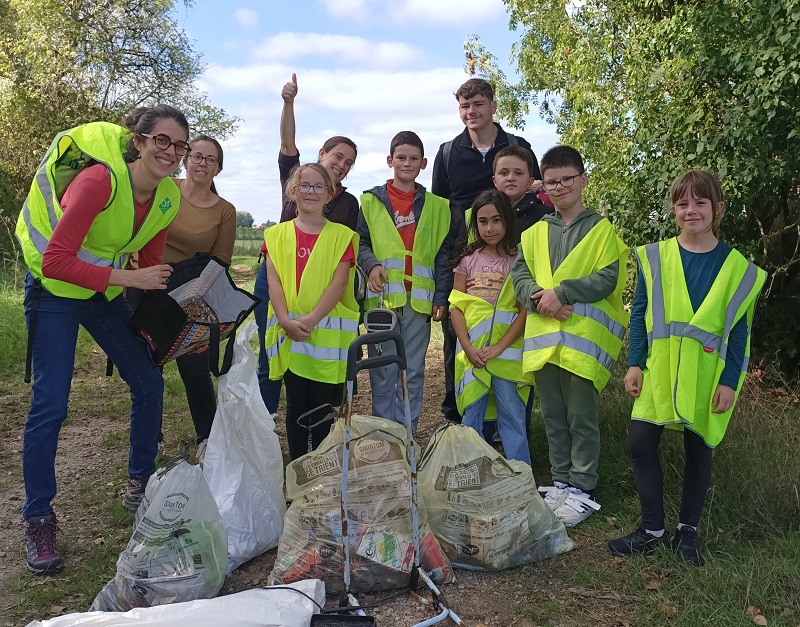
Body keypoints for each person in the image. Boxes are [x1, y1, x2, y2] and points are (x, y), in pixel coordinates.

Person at [15, 105, 189, 574]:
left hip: (102, 292)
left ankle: (141, 483)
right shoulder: (98, 183)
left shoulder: (169, 198)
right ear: (140, 141)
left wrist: (168, 325)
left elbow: (147, 272)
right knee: (51, 404)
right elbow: (55, 261)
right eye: (161, 141)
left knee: (150, 384)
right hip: (55, 291)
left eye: (180, 146)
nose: (170, 152)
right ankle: (38, 517)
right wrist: (125, 278)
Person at [608, 170, 766, 566]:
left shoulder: (738, 269)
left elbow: (741, 333)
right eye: (682, 203)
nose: (690, 210)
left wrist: (730, 382)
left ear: (718, 209)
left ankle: (687, 534)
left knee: (699, 448)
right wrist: (635, 363)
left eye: (699, 202)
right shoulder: (654, 256)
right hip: (658, 371)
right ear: (673, 209)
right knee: (641, 442)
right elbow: (641, 312)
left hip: (705, 376)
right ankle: (652, 530)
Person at [511, 145, 629, 526]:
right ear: (542, 185)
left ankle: (583, 487)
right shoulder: (534, 232)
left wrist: (562, 293)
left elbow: (607, 277)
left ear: (583, 180)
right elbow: (520, 275)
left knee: (581, 415)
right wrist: (538, 298)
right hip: (546, 340)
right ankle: (560, 480)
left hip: (581, 342)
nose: (559, 187)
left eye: (567, 179)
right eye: (551, 181)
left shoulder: (601, 229)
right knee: (554, 415)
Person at [431, 78, 542, 425]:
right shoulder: (448, 152)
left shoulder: (517, 145)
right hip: (466, 258)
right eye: (464, 106)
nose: (471, 112)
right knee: (458, 340)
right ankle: (458, 421)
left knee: (516, 334)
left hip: (516, 253)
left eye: (478, 104)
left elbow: (535, 191)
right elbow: (441, 210)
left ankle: (513, 423)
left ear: (493, 106)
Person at [255, 72, 359, 415]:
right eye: (338, 156)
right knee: (272, 348)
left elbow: (339, 256)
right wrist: (288, 103)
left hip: (319, 287)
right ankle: (267, 421)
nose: (341, 165)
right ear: (322, 153)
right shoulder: (299, 176)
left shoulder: (347, 203)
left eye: (348, 163)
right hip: (276, 275)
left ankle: (324, 416)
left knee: (315, 352)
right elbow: (287, 143)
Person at [357, 131, 453, 433]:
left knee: (412, 370)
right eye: (401, 157)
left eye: (413, 158)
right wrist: (371, 266)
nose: (407, 163)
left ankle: (406, 435)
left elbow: (441, 254)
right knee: (382, 370)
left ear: (423, 163)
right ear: (390, 160)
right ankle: (385, 435)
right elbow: (360, 242)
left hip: (418, 301)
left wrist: (440, 296)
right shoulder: (372, 201)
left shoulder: (437, 206)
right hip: (382, 299)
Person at [263, 163, 359, 461]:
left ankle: (320, 466)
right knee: (294, 405)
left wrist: (310, 320)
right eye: (304, 185)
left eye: (319, 186)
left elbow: (339, 283)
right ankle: (297, 467)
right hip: (290, 333)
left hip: (324, 340)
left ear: (330, 195)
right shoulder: (275, 235)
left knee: (321, 407)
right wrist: (284, 320)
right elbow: (274, 281)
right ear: (292, 191)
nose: (311, 192)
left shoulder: (341, 236)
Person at [162, 135, 236, 444]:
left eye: (210, 159)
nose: (202, 163)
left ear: (218, 169)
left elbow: (220, 263)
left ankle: (209, 440)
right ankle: (150, 439)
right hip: (145, 286)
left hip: (191, 297)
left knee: (194, 371)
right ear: (185, 158)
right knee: (145, 371)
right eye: (196, 156)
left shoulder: (224, 211)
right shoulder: (164, 189)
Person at [449, 190, 531, 464]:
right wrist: (468, 347)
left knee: (512, 416)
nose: (489, 228)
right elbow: (457, 307)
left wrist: (499, 347)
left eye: (496, 220)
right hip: (473, 355)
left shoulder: (519, 261)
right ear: (475, 225)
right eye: (482, 222)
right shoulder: (466, 261)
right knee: (472, 414)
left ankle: (521, 474)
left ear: (507, 221)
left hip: (507, 357)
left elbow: (523, 312)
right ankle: (472, 474)